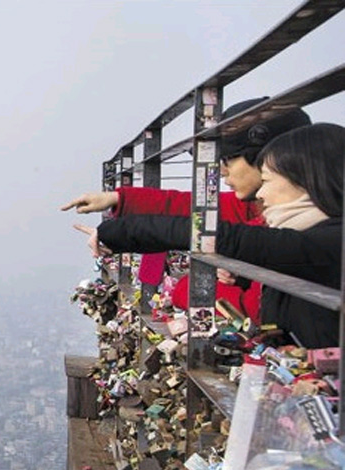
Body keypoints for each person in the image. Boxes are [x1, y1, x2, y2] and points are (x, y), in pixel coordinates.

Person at [89, 123, 344, 349]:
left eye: (267, 180)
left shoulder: (330, 242)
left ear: (306, 179)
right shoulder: (314, 237)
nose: (262, 195)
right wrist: (243, 275)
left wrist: (118, 232)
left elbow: (225, 236)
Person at [63, 97, 312, 319]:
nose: (221, 171)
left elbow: (254, 308)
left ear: (267, 158)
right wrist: (117, 199)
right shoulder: (269, 210)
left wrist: (210, 279)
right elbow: (192, 209)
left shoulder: (295, 227)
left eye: (226, 159)